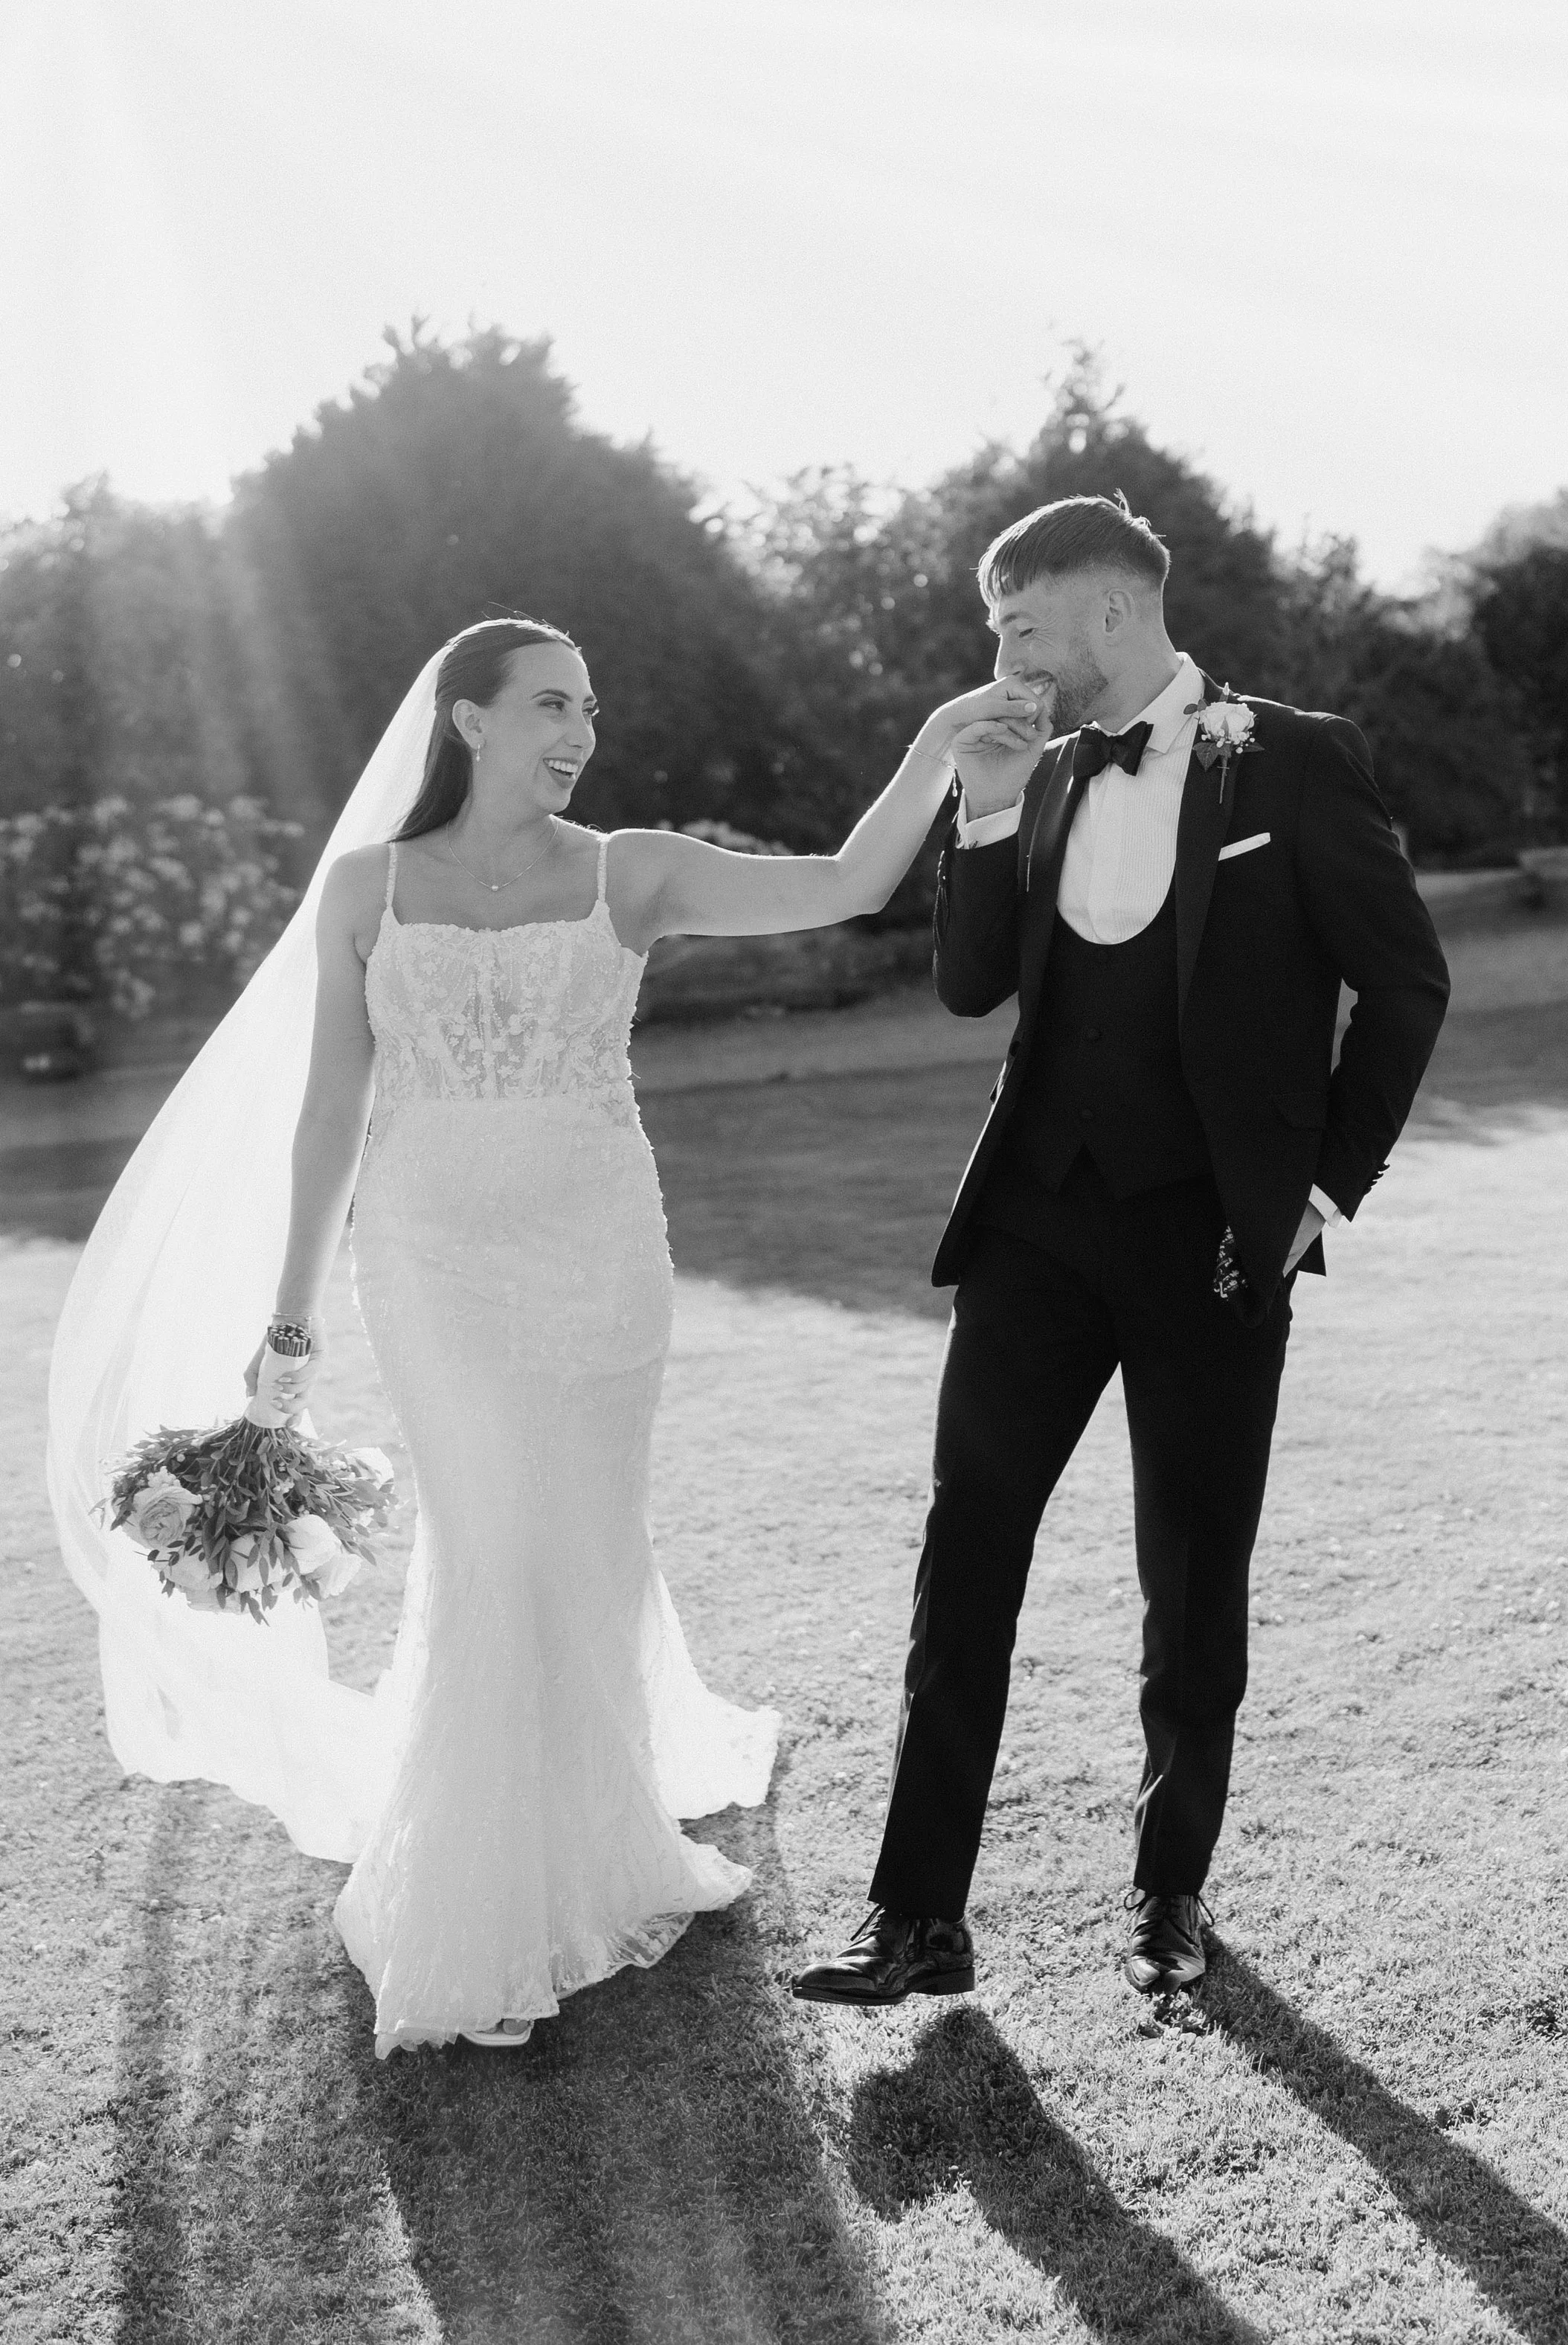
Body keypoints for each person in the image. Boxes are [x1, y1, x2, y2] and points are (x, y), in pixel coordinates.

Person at [48, 613, 1035, 2057]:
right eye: (549, 705)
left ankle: (600, 1838)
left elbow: (847, 883)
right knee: (492, 1546)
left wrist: (938, 745)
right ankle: (476, 1897)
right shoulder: (366, 889)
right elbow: (331, 1107)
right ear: (466, 719)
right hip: (430, 1255)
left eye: (589, 708)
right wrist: (290, 1315)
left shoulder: (629, 867)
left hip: (598, 1254)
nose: (578, 733)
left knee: (577, 1538)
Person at [793, 495, 1450, 2008]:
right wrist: (977, 807)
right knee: (967, 1549)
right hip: (1035, 1220)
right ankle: (915, 1917)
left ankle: (1167, 1897)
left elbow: (1403, 986)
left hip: (1214, 1236)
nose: (1002, 656)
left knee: (1189, 1571)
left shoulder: (1293, 757)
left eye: (1016, 624)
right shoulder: (1037, 768)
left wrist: (1321, 1194)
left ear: (1101, 611)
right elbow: (968, 989)